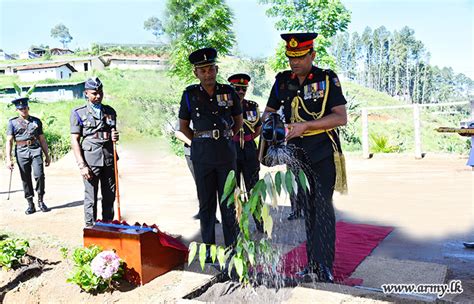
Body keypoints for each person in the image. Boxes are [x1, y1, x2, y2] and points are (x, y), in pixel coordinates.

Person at [264, 33, 348, 282]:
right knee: (308, 209)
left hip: (322, 152)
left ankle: (324, 266)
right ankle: (311, 263)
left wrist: (305, 126)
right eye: (291, 57)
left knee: (322, 208)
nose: (295, 62)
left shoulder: (326, 78)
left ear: (312, 54)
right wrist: (274, 124)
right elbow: (268, 111)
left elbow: (340, 117)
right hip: (296, 156)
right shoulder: (282, 81)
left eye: (300, 57)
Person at [178, 48, 243, 260]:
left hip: (226, 155)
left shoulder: (229, 91)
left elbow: (238, 121)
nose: (207, 74)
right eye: (202, 70)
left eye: (210, 69)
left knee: (228, 204)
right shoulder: (189, 95)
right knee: (206, 205)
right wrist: (200, 140)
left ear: (216, 69)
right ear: (196, 73)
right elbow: (184, 126)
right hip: (202, 156)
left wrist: (225, 136)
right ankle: (209, 250)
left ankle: (232, 247)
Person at [70, 77, 119, 227]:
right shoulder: (78, 113)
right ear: (86, 93)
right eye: (94, 93)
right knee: (91, 196)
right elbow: (74, 140)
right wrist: (81, 165)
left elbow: (111, 132)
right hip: (90, 159)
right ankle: (91, 228)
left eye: (100, 92)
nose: (98, 96)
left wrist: (115, 136)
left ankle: (108, 226)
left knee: (109, 195)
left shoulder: (110, 111)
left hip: (109, 158)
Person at [228, 73, 263, 232]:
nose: (241, 91)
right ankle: (235, 224)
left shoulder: (252, 106)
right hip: (231, 149)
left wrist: (248, 138)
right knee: (232, 189)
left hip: (249, 149)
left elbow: (258, 128)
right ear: (231, 89)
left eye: (243, 89)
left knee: (254, 187)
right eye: (237, 88)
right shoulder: (225, 106)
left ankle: (259, 222)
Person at [5, 97, 51, 214]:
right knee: (25, 178)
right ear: (17, 110)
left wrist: (47, 155)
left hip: (35, 150)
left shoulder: (36, 121)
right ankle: (30, 204)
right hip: (21, 151)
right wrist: (8, 159)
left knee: (39, 175)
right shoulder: (12, 123)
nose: (23, 111)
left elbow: (42, 139)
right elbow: (9, 141)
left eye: (25, 108)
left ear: (28, 108)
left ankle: (41, 200)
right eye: (21, 109)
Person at [174, 121, 220, 223]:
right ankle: (205, 213)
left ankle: (210, 214)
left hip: (212, 152)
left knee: (212, 184)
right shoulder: (189, 109)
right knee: (201, 184)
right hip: (192, 154)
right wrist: (194, 144)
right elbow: (178, 132)